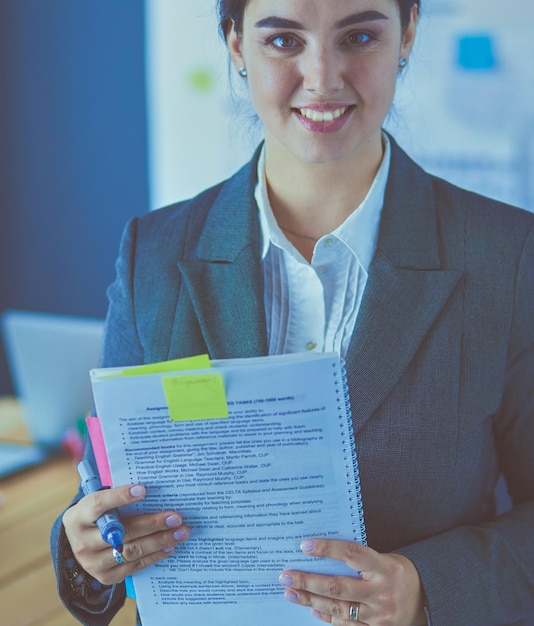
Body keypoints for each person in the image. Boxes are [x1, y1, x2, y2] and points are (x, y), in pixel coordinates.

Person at [51, 0, 534, 624]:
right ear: (235, 44)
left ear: (408, 32)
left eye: (358, 36)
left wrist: (427, 589)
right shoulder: (155, 254)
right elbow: (105, 497)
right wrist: (85, 544)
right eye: (283, 41)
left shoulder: (508, 258)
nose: (324, 77)